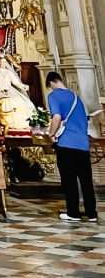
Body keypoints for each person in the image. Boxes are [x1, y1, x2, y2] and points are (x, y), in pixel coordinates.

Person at [36, 72, 97, 224]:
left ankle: (73, 212)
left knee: (69, 180)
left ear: (50, 83)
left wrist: (51, 134)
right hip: (82, 144)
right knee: (86, 180)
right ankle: (91, 213)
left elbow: (56, 117)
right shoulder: (76, 97)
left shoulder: (54, 96)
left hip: (67, 144)